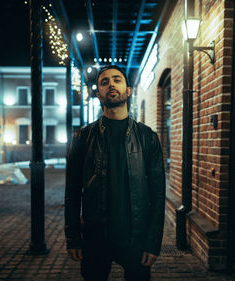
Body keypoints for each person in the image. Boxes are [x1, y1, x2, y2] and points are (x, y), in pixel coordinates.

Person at [65, 65, 166, 281]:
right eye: (104, 81)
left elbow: (158, 194)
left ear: (128, 91)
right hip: (95, 236)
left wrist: (153, 242)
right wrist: (73, 237)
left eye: (117, 80)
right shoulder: (83, 137)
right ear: (98, 93)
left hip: (135, 237)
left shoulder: (148, 137)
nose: (111, 84)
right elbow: (72, 191)